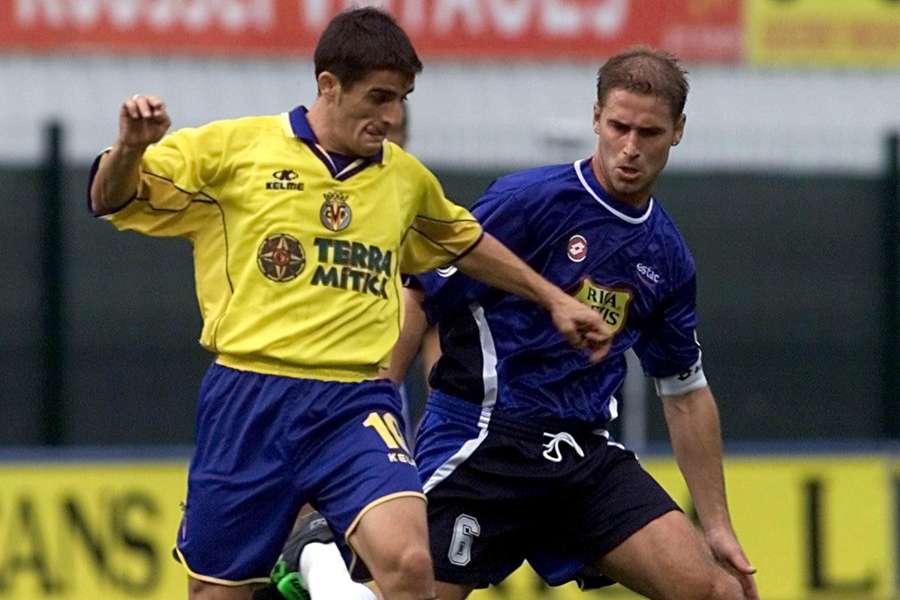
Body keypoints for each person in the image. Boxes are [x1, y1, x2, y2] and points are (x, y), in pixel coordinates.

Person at [87, 7, 611, 600]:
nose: (391, 116)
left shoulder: (406, 180)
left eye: (403, 99)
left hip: (356, 400)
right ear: (328, 86)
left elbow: (464, 243)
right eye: (379, 97)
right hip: (250, 398)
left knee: (412, 566)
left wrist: (552, 300)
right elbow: (113, 198)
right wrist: (129, 148)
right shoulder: (234, 151)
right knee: (218, 593)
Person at [259, 46, 759, 600]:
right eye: (618, 127)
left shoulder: (667, 256)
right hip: (486, 441)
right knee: (401, 594)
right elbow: (420, 293)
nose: (630, 148)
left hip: (579, 455)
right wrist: (376, 402)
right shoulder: (529, 202)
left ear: (678, 132)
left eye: (650, 133)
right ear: (596, 118)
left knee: (718, 592)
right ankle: (313, 555)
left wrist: (717, 527)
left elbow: (686, 393)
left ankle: (318, 554)